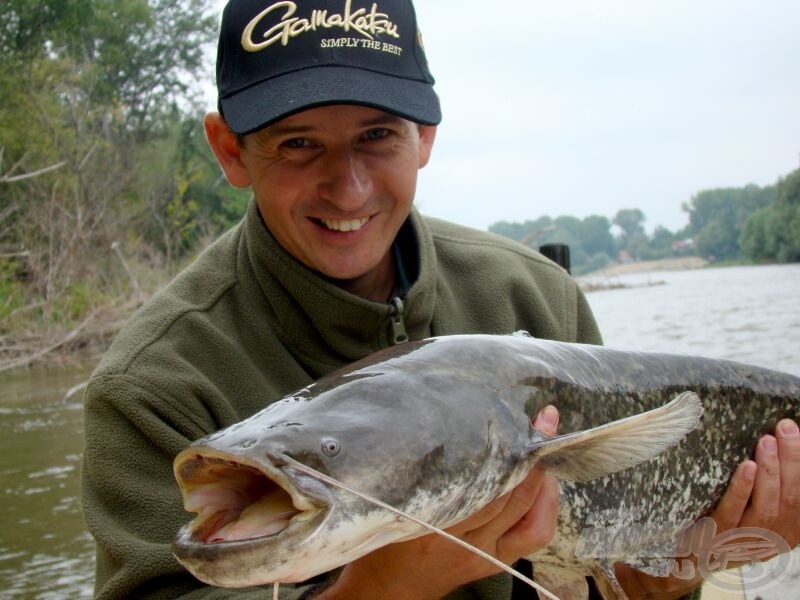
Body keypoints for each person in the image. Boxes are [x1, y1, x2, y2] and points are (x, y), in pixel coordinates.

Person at [81, 1, 800, 598]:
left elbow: (617, 585)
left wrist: (679, 569)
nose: (349, 187)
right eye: (299, 143)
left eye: (378, 137)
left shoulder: (538, 297)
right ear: (230, 150)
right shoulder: (152, 386)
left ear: (425, 137)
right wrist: (382, 589)